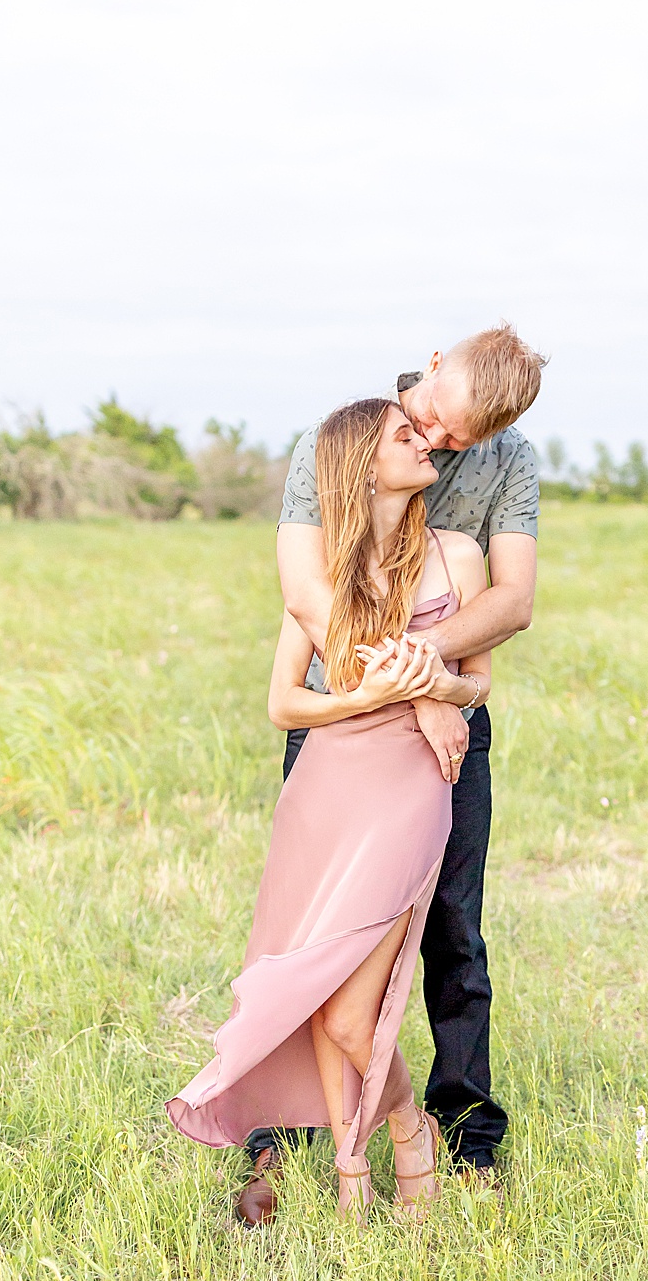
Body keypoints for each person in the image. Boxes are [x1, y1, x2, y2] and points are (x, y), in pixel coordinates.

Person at [237, 324, 546, 1226]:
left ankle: (463, 1133)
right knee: (310, 937)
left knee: (455, 927)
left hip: (441, 726)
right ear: (435, 362)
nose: (443, 447)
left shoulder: (509, 462)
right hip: (349, 728)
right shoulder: (343, 438)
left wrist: (427, 674)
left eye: (463, 441)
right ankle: (292, 1136)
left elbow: (512, 601)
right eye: (435, 425)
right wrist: (413, 688)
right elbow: (308, 591)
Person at [169, 398, 491, 1219]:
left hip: (411, 788)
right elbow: (284, 703)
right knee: (318, 989)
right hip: (324, 788)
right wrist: (370, 696)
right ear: (361, 464)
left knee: (354, 1012)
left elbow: (477, 682)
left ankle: (409, 1133)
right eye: (404, 435)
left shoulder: (457, 554)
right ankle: (352, 1171)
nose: (425, 441)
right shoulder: (323, 575)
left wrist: (435, 689)